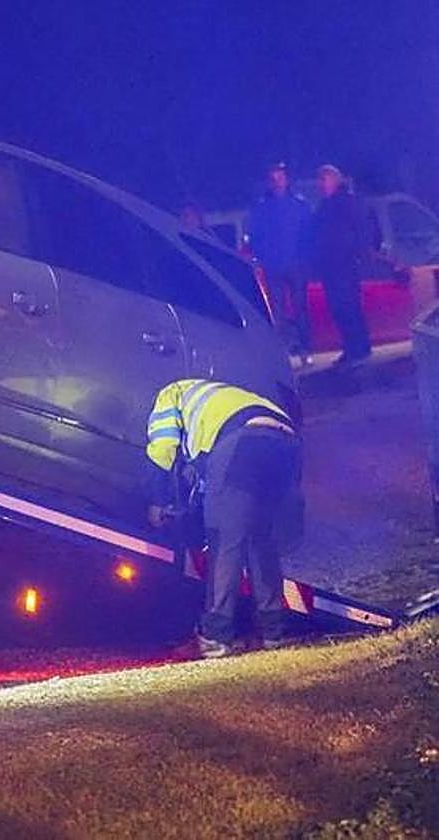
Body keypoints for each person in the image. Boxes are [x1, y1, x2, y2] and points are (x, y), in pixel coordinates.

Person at [146, 379, 303, 658]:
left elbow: (163, 449)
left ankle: (215, 637)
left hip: (241, 442)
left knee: (224, 541)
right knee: (261, 539)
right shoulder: (227, 394)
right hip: (286, 443)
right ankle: (273, 632)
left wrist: (158, 500)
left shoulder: (170, 394)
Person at [248, 163, 312, 362]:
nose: (277, 182)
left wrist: (305, 259)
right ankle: (284, 352)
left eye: (281, 177)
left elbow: (308, 234)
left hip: (296, 266)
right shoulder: (263, 208)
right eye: (274, 178)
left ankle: (305, 349)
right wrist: (262, 258)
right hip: (274, 267)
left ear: (287, 179)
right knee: (278, 310)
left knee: (300, 307)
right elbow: (256, 235)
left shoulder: (299, 205)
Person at [311, 164, 371, 365]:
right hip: (331, 267)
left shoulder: (348, 203)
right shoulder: (323, 206)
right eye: (320, 180)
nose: (321, 184)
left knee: (349, 307)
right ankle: (351, 347)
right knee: (338, 309)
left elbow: (362, 231)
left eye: (324, 179)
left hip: (345, 265)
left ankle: (359, 349)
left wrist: (356, 252)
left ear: (335, 180)